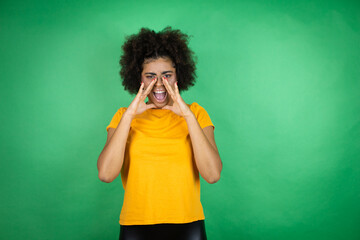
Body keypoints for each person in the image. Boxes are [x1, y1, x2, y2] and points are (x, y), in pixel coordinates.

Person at [97, 26, 223, 240]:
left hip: (188, 225)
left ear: (178, 76)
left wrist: (187, 116)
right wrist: (129, 116)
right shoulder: (123, 116)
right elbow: (106, 174)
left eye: (166, 75)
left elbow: (212, 175)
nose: (158, 84)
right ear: (139, 78)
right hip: (136, 226)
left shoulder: (196, 114)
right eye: (150, 76)